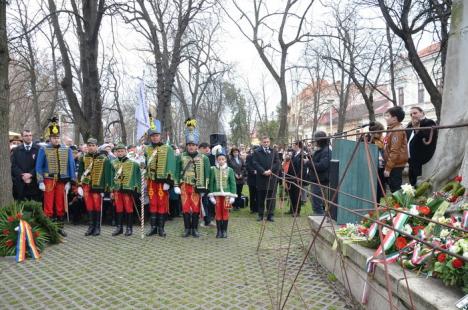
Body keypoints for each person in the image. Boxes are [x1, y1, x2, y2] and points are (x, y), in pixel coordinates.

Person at [35, 117, 76, 237]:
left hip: (62, 181)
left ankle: (60, 228)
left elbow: (71, 166)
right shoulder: (43, 149)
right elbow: (39, 166)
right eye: (54, 137)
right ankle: (48, 228)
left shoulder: (66, 149)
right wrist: (40, 181)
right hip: (48, 180)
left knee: (60, 204)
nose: (56, 140)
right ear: (50, 138)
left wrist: (70, 181)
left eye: (58, 137)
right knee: (48, 205)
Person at [175, 118, 211, 237]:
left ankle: (194, 229)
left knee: (195, 207)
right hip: (184, 185)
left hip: (197, 186)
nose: (191, 147)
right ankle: (187, 229)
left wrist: (205, 189)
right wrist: (176, 185)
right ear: (187, 145)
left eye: (193, 145)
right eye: (189, 145)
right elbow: (176, 171)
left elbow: (207, 174)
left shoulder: (204, 158)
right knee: (185, 207)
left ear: (197, 146)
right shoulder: (181, 156)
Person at [144, 117, 177, 237]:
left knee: (162, 204)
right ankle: (153, 227)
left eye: (156, 135)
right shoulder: (147, 149)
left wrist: (169, 181)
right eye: (152, 136)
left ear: (160, 136)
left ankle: (161, 228)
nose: (154, 137)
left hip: (163, 182)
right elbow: (146, 163)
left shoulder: (167, 148)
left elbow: (171, 164)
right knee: (153, 203)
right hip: (151, 181)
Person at [77, 138, 112, 236]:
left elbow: (107, 174)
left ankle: (97, 227)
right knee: (89, 206)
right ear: (87, 147)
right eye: (89, 146)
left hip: (98, 186)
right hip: (87, 185)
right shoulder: (83, 157)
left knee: (97, 206)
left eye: (93, 145)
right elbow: (80, 172)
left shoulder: (103, 158)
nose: (91, 147)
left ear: (97, 146)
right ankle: (90, 226)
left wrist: (106, 188)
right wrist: (79, 184)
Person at [110, 143, 142, 236]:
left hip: (128, 189)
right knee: (118, 208)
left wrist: (137, 189)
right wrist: (112, 190)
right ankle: (119, 227)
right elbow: (112, 177)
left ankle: (129, 228)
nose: (120, 153)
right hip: (117, 189)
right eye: (118, 151)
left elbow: (138, 177)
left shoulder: (133, 164)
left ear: (125, 151)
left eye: (122, 151)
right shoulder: (113, 163)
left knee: (128, 208)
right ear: (116, 152)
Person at [406, 106, 438, 186]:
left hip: (422, 160)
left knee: (420, 185)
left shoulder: (429, 122)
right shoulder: (410, 125)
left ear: (422, 113)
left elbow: (425, 137)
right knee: (412, 184)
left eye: (415, 113)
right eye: (411, 114)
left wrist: (417, 127)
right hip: (411, 161)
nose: (413, 115)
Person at [208, 151, 236, 238]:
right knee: (218, 212)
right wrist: (211, 195)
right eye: (219, 159)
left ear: (225, 160)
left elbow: (232, 183)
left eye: (223, 159)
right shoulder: (213, 169)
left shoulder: (230, 170)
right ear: (217, 160)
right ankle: (219, 231)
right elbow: (211, 182)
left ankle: (224, 231)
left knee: (225, 212)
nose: (221, 161)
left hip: (227, 195)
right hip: (216, 195)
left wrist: (232, 195)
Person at [252, 136, 281, 222]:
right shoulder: (257, 152)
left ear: (269, 142)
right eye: (264, 142)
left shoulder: (274, 151)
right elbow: (255, 163)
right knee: (261, 197)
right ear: (261, 142)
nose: (266, 143)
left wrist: (271, 170)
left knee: (271, 197)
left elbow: (277, 162)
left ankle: (270, 215)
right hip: (261, 178)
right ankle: (260, 215)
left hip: (271, 178)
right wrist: (263, 171)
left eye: (267, 142)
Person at [11, 130, 41, 201]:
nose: (29, 137)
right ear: (22, 137)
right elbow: (14, 166)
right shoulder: (16, 150)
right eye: (26, 136)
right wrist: (23, 175)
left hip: (34, 182)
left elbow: (40, 165)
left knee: (35, 206)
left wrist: (30, 174)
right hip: (21, 183)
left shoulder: (39, 149)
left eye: (30, 135)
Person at [383, 106, 408, 192]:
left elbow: (394, 151)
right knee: (394, 189)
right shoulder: (392, 129)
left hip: (395, 165)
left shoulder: (397, 131)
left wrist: (388, 168)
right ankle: (398, 205)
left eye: (388, 116)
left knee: (395, 189)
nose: (386, 118)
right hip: (394, 164)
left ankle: (401, 205)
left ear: (394, 119)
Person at [307, 131, 331, 216]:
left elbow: (322, 166)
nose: (315, 142)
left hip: (320, 180)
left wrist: (308, 162)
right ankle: (318, 214)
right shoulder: (321, 150)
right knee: (314, 199)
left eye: (316, 140)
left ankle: (319, 216)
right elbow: (316, 161)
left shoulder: (326, 151)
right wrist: (310, 158)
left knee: (317, 199)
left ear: (320, 141)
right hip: (316, 179)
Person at [286, 141, 307, 216]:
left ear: (298, 145)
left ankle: (297, 211)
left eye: (294, 145)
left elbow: (303, 168)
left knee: (297, 195)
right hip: (291, 177)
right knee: (291, 194)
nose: (293, 146)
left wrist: (299, 177)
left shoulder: (302, 154)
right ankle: (292, 209)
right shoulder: (294, 153)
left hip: (298, 178)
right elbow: (291, 165)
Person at [366, 122, 386, 203]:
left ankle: (379, 203)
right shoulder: (367, 139)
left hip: (381, 167)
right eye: (379, 132)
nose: (381, 134)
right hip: (373, 167)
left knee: (381, 189)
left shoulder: (380, 140)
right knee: (374, 188)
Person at [198, 142, 215, 226]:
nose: (207, 151)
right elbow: (207, 173)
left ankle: (206, 219)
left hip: (203, 184)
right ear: (201, 148)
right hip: (199, 184)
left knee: (205, 202)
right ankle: (206, 220)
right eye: (206, 149)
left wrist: (206, 186)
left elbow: (207, 173)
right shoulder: (203, 157)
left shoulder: (205, 157)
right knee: (203, 203)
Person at [245, 147, 258, 214]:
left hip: (259, 178)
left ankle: (258, 208)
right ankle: (252, 208)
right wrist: (253, 171)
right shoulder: (249, 156)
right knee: (252, 194)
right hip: (251, 178)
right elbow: (247, 166)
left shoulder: (259, 156)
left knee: (258, 194)